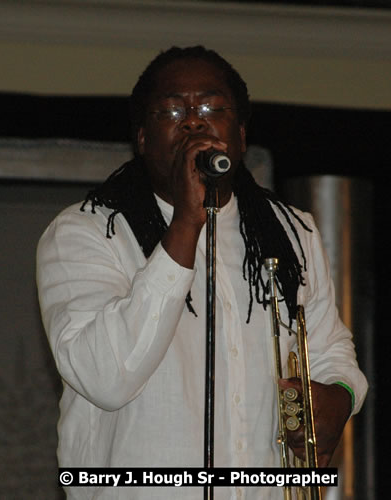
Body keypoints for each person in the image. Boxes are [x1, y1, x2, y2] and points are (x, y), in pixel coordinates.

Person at [36, 46, 368, 499]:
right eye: (171, 110)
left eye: (212, 107)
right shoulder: (85, 232)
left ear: (242, 134)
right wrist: (186, 224)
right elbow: (106, 378)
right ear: (142, 138)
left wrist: (340, 397)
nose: (194, 122)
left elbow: (330, 349)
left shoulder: (291, 232)